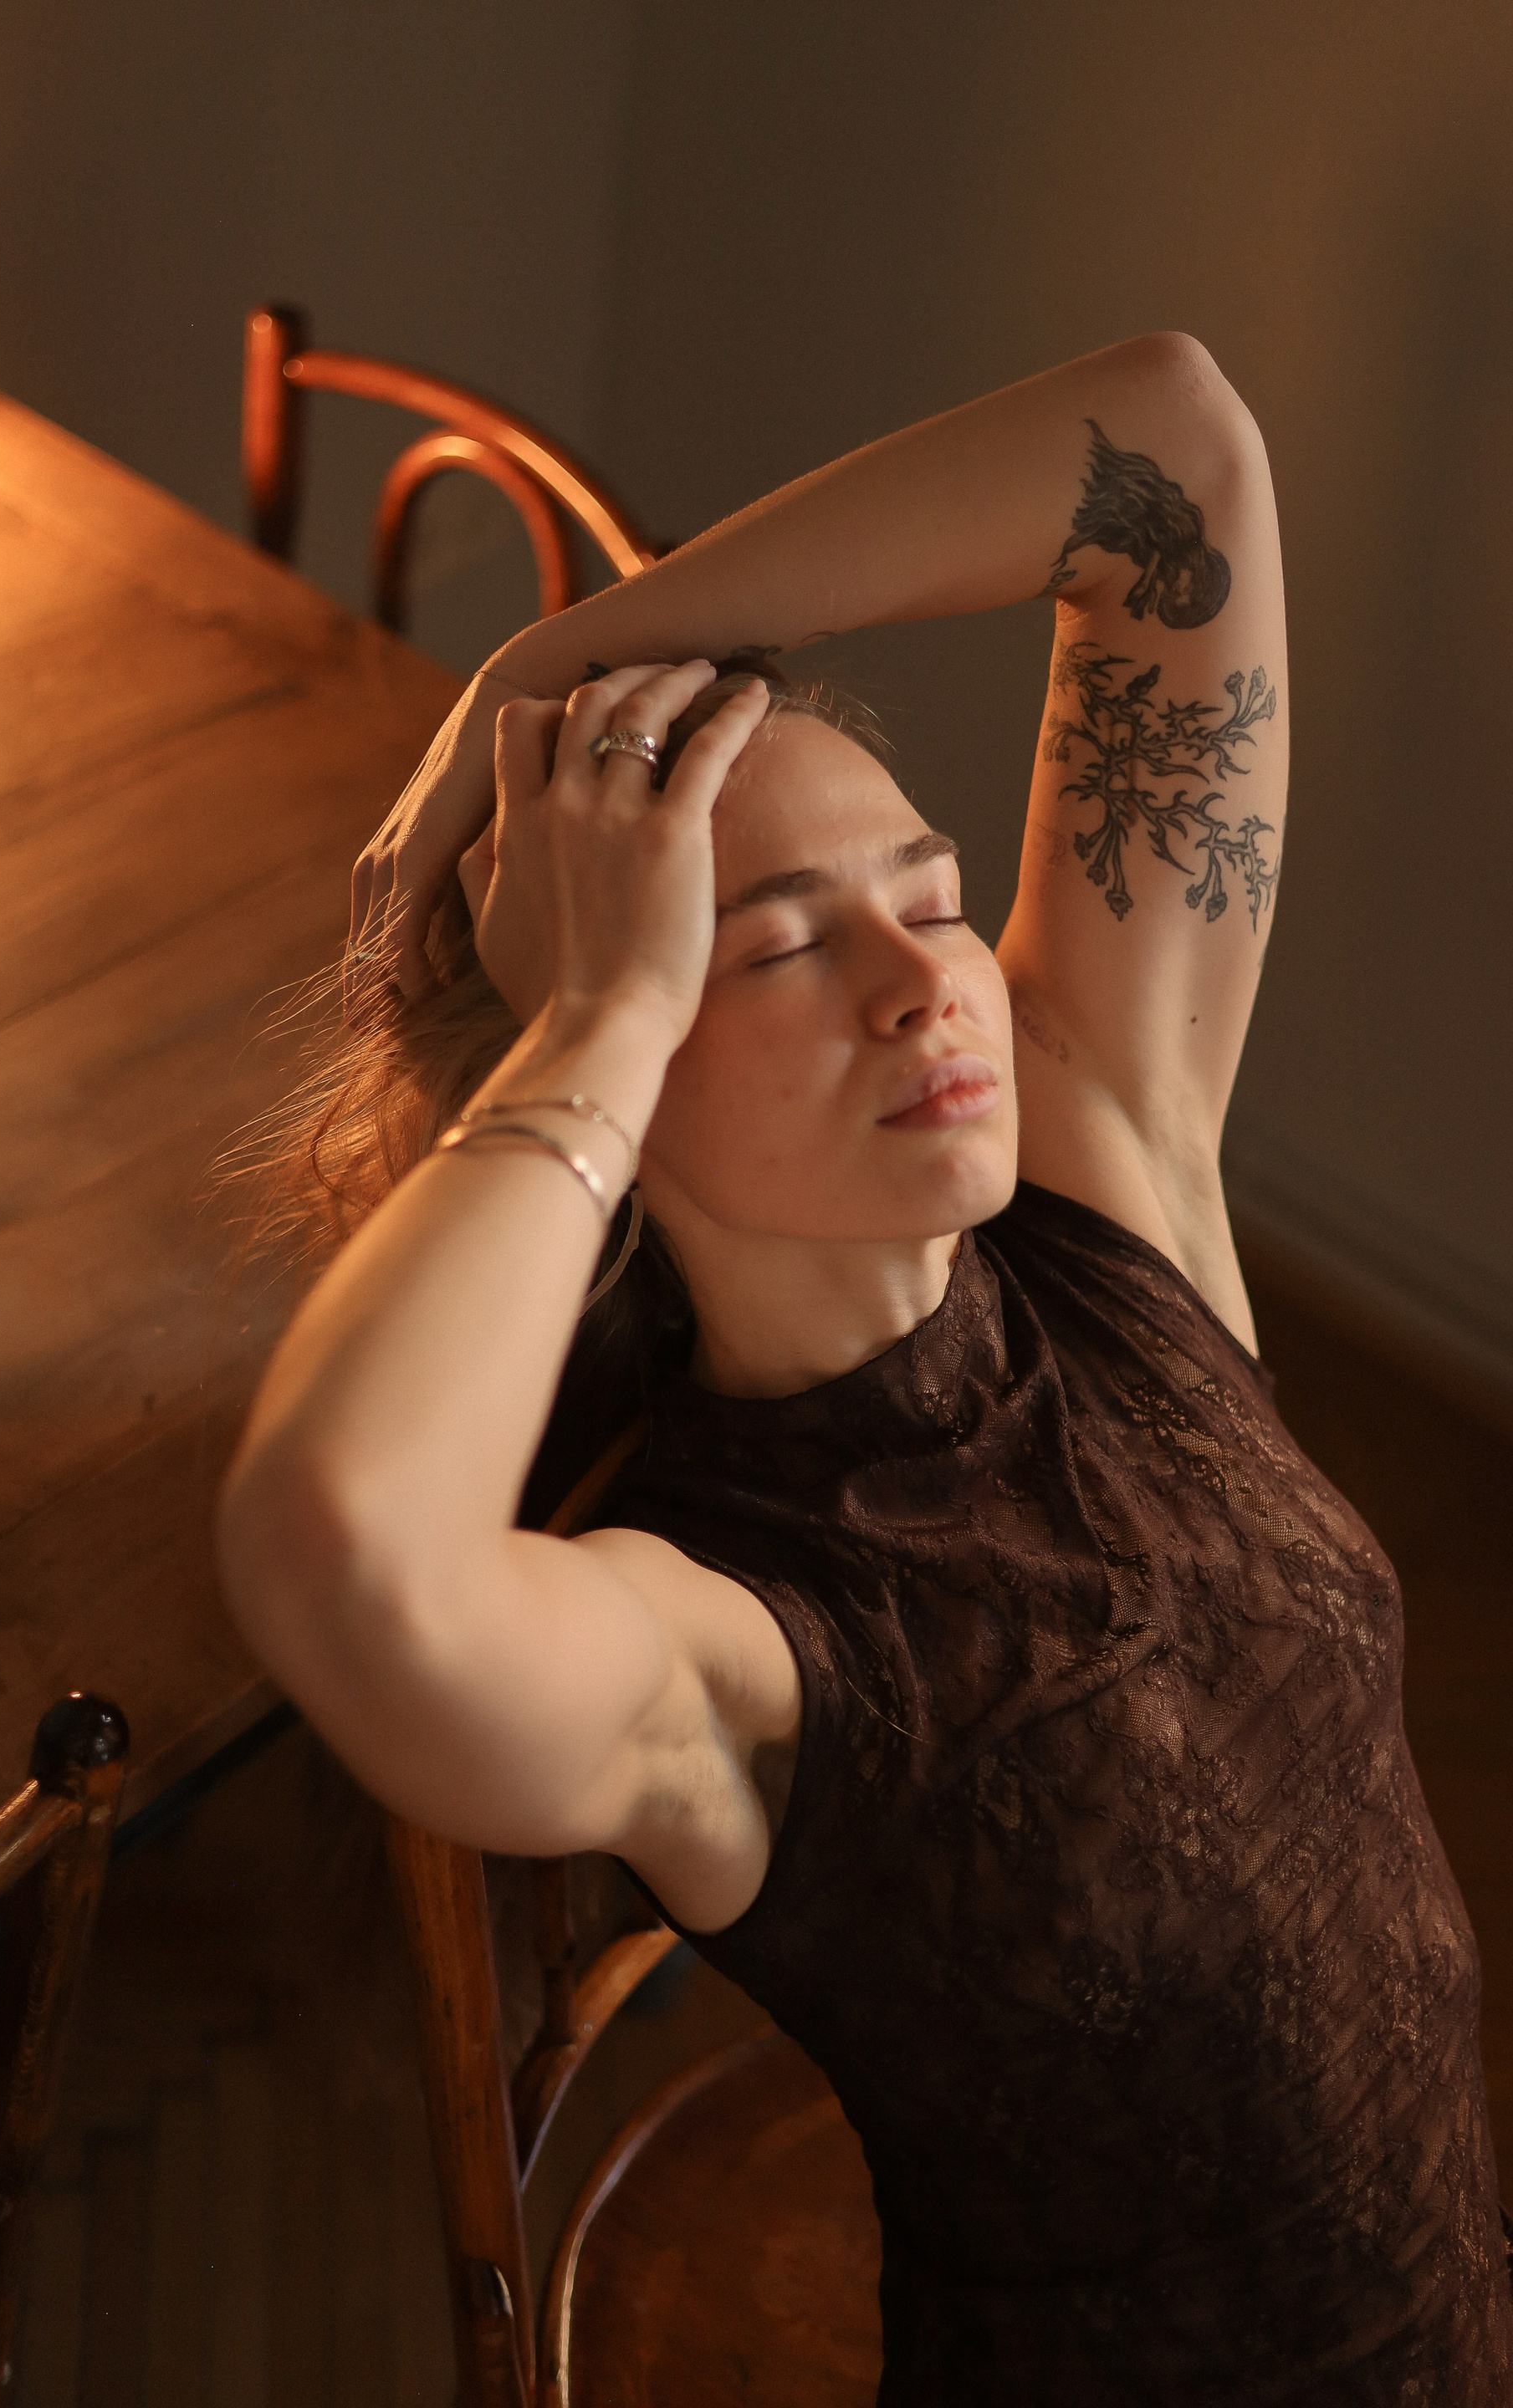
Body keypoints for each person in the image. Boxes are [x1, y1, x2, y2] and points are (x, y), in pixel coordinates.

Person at [217, 332, 1512, 2401]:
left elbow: (1174, 445)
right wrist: (594, 1022)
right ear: (619, 1072)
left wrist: (549, 660)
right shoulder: (725, 1643)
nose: (933, 982)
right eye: (783, 946)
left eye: (932, 895)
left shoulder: (1106, 1192)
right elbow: (342, 1552)